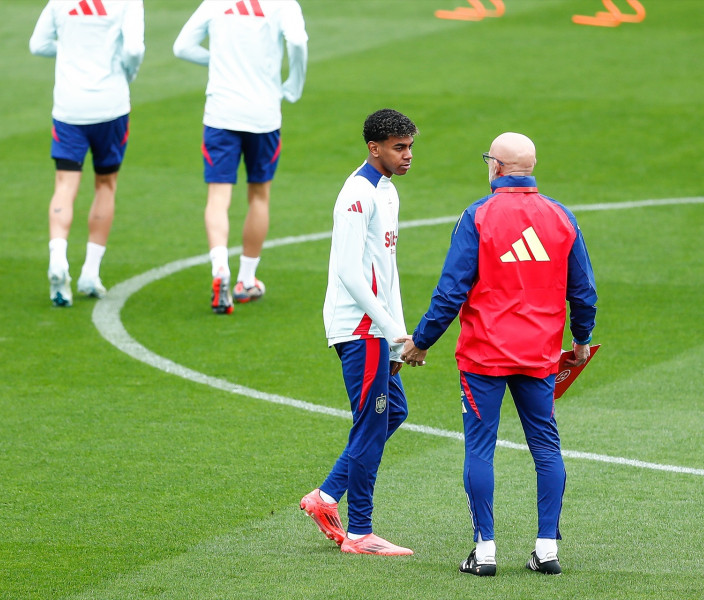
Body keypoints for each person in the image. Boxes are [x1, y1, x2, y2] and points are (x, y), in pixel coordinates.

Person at [397, 132, 597, 576]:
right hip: (540, 356)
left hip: (484, 357)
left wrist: (422, 340)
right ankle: (547, 549)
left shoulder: (479, 216)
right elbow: (583, 291)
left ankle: (484, 549)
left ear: (498, 167)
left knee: (480, 449)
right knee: (546, 447)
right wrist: (581, 340)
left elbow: (451, 291)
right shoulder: (561, 217)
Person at [299, 109, 418, 556]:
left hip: (378, 330)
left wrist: (396, 334)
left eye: (409, 147)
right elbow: (350, 273)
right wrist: (391, 331)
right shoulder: (357, 194)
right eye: (398, 148)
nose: (408, 156)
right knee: (371, 425)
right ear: (375, 148)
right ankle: (360, 532)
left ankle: (326, 497)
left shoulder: (386, 191)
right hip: (359, 326)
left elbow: (387, 271)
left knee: (393, 412)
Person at [173, 0, 308, 314]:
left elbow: (182, 47)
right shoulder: (284, 4)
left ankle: (220, 267)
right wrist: (294, 84)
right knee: (259, 195)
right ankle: (246, 280)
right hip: (263, 115)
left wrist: (220, 62)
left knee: (218, 196)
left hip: (221, 112)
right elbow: (298, 42)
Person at [30, 0, 145, 307]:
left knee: (64, 185)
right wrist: (127, 72)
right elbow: (133, 50)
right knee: (105, 184)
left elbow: (37, 44)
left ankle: (58, 259)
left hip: (69, 107)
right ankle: (90, 273)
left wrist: (70, 50)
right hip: (110, 105)